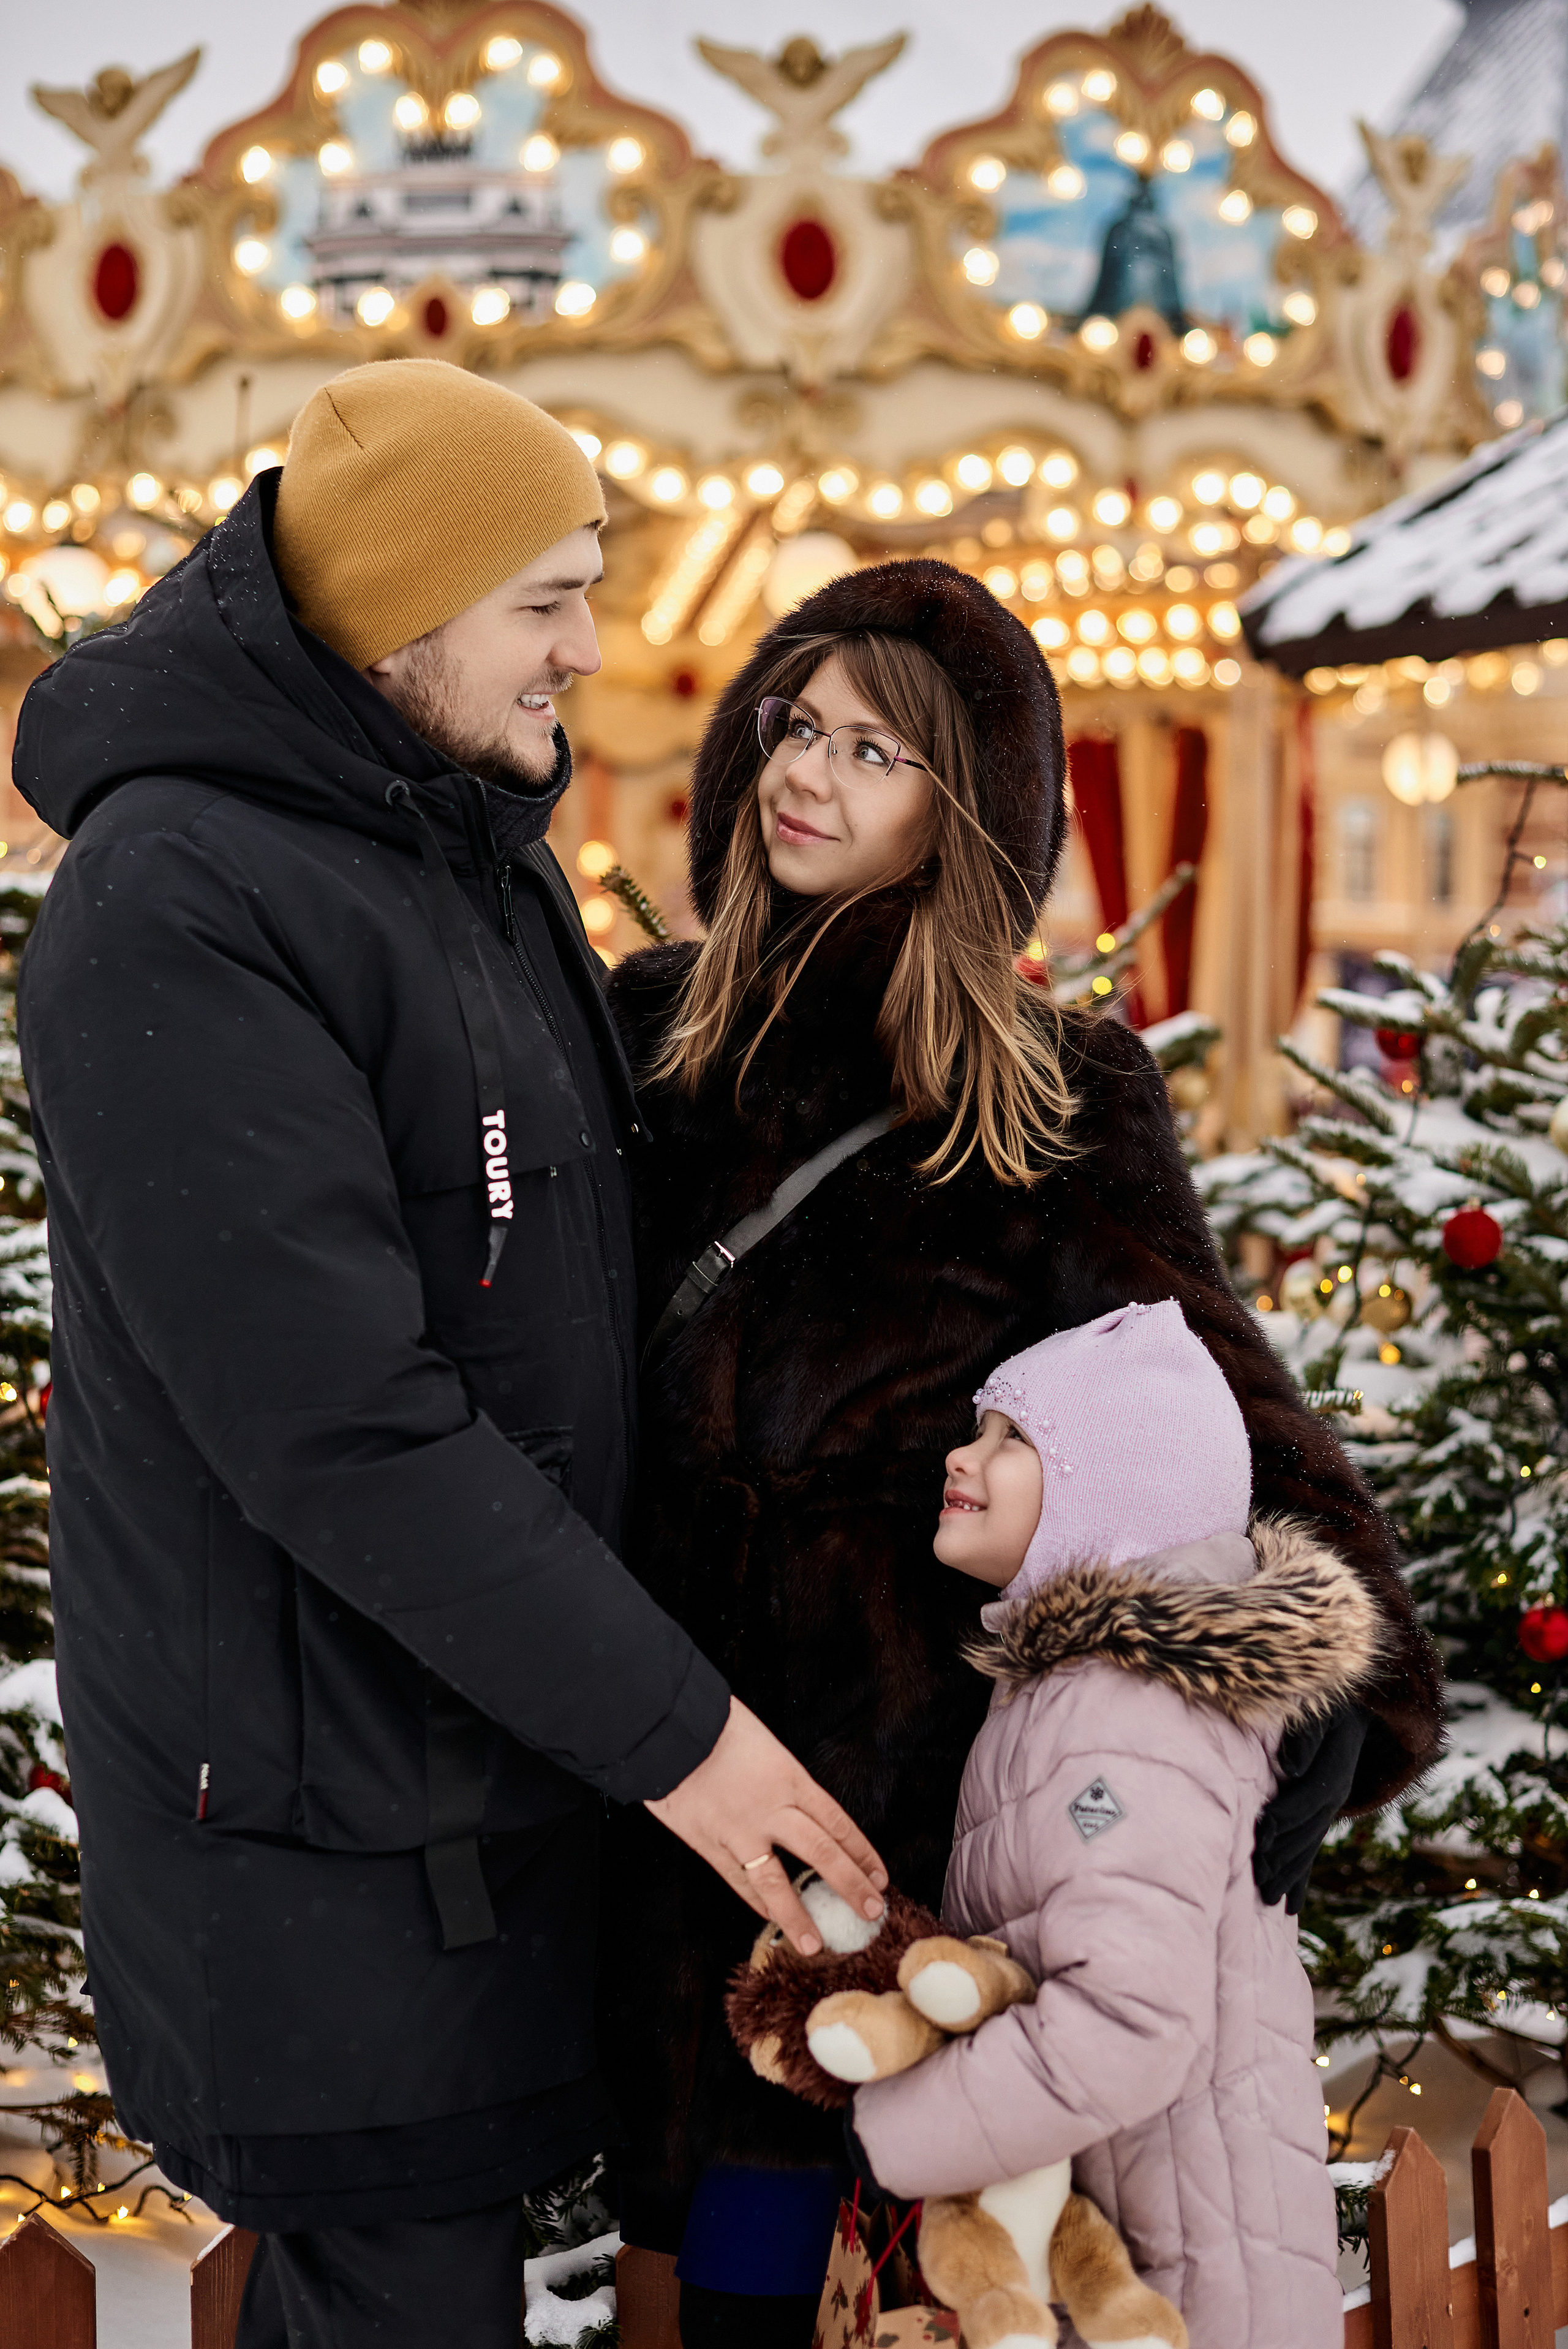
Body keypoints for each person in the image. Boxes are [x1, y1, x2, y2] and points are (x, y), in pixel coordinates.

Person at [12, 359, 884, 2349]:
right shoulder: (176, 903)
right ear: (401, 611)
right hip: (315, 1838)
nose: (593, 647)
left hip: (474, 1795)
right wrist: (685, 1739)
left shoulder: (465, 851)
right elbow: (342, 1423)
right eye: (545, 598)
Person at [603, 559, 1444, 2345]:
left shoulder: (1047, 1089)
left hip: (891, 1844)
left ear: (963, 808)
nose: (808, 773)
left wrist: (1330, 1676)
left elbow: (1213, 1395)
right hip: (651, 1778)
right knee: (675, 2268)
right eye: (796, 726)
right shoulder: (644, 1042)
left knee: (832, 2269)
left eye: (876, 751)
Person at [846, 1299, 1360, 2348]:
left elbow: (1130, 2019)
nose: (962, 1453)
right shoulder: (1073, 1689)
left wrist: (900, 2128)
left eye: (1013, 1438)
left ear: (1119, 1491)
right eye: (979, 1426)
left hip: (1189, 2288)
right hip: (1149, 2257)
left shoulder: (1121, 1710)